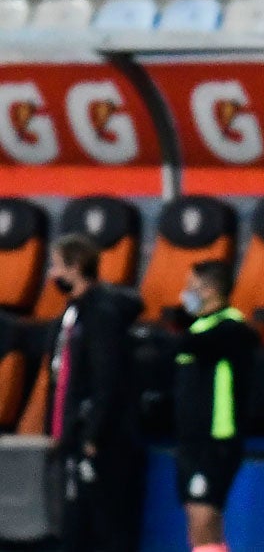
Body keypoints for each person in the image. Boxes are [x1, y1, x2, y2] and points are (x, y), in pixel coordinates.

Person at [45, 233, 144, 552]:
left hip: (102, 439)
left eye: (56, 266)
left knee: (106, 524)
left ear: (76, 267)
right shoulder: (71, 313)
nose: (52, 274)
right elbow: (62, 376)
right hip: (74, 433)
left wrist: (93, 434)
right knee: (74, 524)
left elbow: (107, 378)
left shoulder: (101, 314)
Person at [174, 260, 258, 552]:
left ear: (209, 290)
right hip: (191, 439)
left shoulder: (231, 328)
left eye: (191, 286)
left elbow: (200, 345)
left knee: (204, 515)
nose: (185, 293)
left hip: (216, 438)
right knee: (198, 517)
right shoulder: (198, 328)